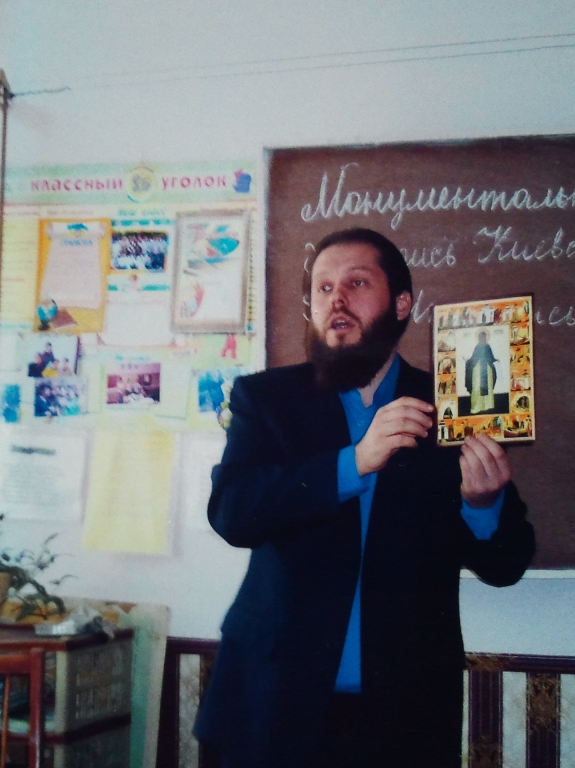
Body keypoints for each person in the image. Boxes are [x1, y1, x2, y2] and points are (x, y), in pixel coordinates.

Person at [194, 227, 534, 768]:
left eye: (356, 283)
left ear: (401, 303)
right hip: (271, 705)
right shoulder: (267, 398)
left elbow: (506, 565)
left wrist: (482, 503)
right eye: (324, 288)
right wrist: (353, 462)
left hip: (402, 716)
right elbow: (233, 513)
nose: (337, 301)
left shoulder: (457, 403)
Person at [466, 329, 498, 414]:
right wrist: (469, 361)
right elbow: (474, 358)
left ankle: (488, 406)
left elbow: (490, 357)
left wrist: (495, 360)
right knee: (477, 387)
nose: (482, 338)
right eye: (481, 337)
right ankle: (477, 407)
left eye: (484, 337)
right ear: (479, 337)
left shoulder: (487, 346)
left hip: (487, 368)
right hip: (478, 369)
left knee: (488, 387)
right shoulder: (477, 347)